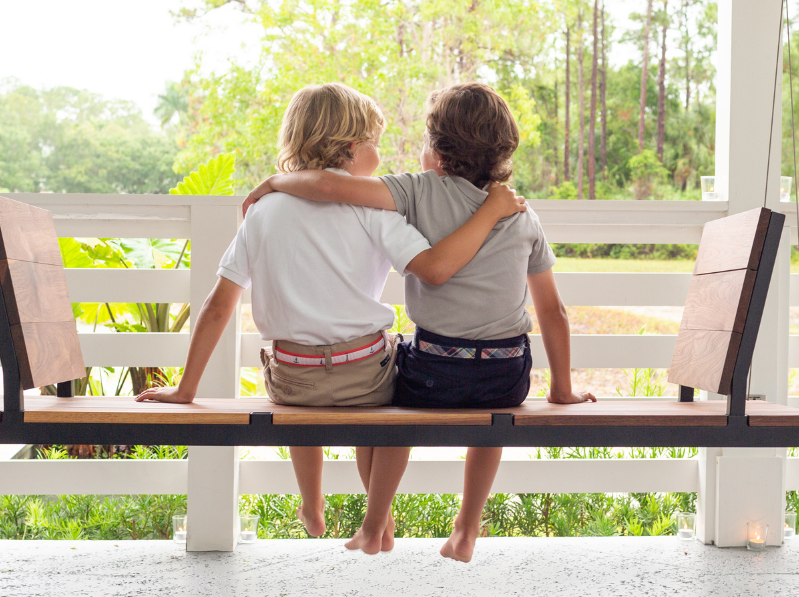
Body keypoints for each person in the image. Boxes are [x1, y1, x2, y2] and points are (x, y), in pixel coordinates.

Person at [137, 82, 525, 553]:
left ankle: (311, 501)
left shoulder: (262, 212)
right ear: (350, 149)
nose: (380, 158)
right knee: (390, 390)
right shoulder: (373, 212)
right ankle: (377, 515)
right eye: (375, 146)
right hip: (364, 376)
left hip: (291, 379)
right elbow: (430, 267)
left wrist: (186, 389)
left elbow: (219, 305)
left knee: (298, 391)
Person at [245, 82, 594, 563]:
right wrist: (562, 387)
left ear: (438, 150)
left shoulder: (415, 191)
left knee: (397, 399)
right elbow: (552, 311)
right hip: (505, 373)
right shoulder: (520, 214)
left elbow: (327, 185)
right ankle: (467, 528)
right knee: (490, 425)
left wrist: (275, 182)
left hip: (434, 369)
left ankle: (374, 524)